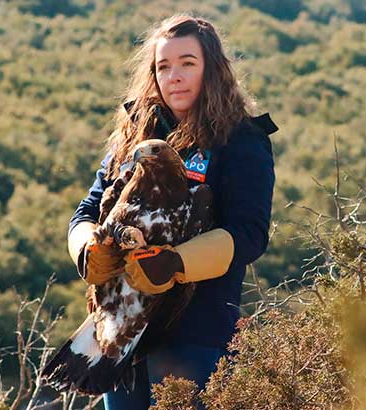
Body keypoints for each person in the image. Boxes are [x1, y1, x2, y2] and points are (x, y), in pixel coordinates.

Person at [66, 14, 277, 409]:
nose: (174, 76)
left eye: (187, 63)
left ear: (212, 69)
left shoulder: (242, 140)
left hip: (195, 330)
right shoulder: (137, 134)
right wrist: (88, 251)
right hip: (122, 327)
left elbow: (249, 233)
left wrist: (175, 264)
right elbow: (88, 210)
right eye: (163, 66)